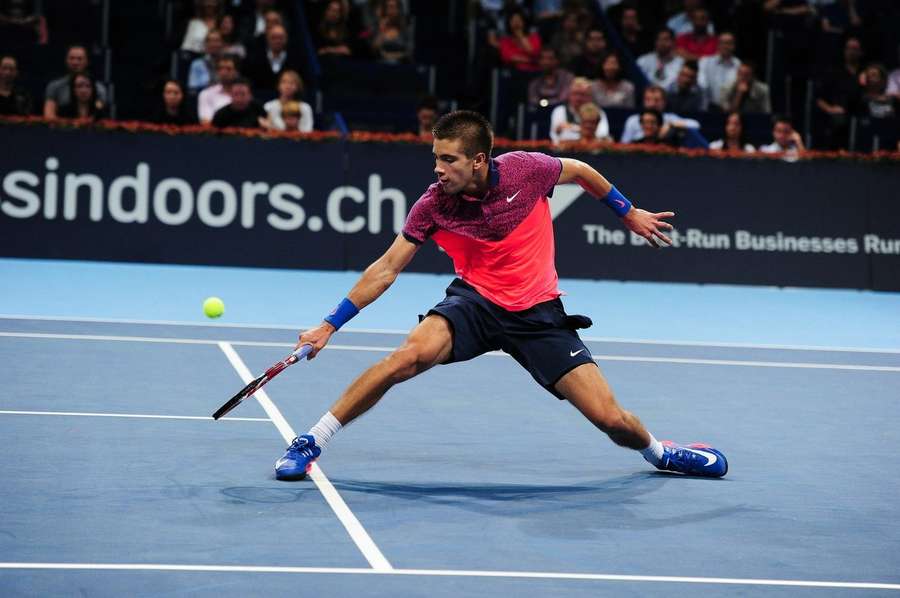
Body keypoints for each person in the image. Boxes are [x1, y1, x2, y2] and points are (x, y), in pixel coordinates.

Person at [272, 110, 729, 482]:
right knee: (405, 358)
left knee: (610, 419)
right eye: (435, 157)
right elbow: (386, 268)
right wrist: (329, 324)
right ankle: (312, 439)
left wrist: (626, 212)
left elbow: (583, 171)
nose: (437, 168)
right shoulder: (434, 204)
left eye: (448, 159)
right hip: (474, 304)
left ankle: (660, 452)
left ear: (479, 160)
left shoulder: (527, 171)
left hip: (539, 315)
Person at [43, 45, 107, 120]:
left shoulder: (99, 88)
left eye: (80, 59)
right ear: (66, 60)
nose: (75, 62)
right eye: (71, 58)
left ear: (87, 61)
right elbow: (49, 116)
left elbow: (99, 112)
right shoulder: (54, 86)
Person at [620, 85, 700, 143]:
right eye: (648, 100)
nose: (652, 104)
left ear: (664, 102)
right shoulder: (633, 120)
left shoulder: (670, 118)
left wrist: (670, 125)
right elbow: (624, 144)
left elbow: (695, 125)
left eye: (657, 100)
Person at [550, 77, 610, 145]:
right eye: (575, 94)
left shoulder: (598, 112)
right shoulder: (559, 111)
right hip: (565, 150)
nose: (578, 98)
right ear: (569, 95)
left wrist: (571, 127)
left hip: (592, 149)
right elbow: (555, 137)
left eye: (582, 94)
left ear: (589, 96)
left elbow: (602, 135)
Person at [697, 31, 740, 110]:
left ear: (734, 45)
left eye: (728, 43)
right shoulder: (705, 62)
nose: (725, 46)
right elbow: (702, 85)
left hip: (729, 109)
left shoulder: (738, 65)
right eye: (722, 43)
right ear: (718, 45)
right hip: (708, 107)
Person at [198, 54, 239, 125]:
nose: (224, 73)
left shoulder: (243, 93)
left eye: (228, 69)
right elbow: (206, 123)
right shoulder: (206, 94)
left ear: (236, 71)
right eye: (220, 69)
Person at [187, 29, 224, 93]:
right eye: (210, 41)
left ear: (222, 43)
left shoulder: (227, 63)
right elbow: (192, 88)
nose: (213, 44)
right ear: (206, 43)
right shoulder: (197, 64)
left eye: (216, 40)